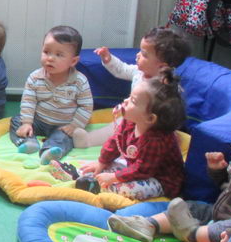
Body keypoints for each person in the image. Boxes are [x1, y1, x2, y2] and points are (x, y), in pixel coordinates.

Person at [109, 109, 231, 242]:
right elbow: (226, 187)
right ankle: (148, 224)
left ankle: (191, 233)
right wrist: (217, 172)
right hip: (217, 210)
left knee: (225, 228)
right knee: (192, 206)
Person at [75, 70, 186, 200]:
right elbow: (114, 142)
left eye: (133, 100)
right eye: (129, 96)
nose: (125, 101)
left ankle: (101, 190)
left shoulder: (156, 140)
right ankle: (80, 175)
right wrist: (102, 162)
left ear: (150, 118)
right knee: (97, 168)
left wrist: (114, 178)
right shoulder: (129, 121)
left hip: (159, 179)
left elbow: (142, 170)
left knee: (125, 189)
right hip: (135, 167)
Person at [76, 27, 190, 148]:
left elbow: (172, 112)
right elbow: (122, 69)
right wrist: (108, 59)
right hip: (132, 117)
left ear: (162, 66)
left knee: (154, 138)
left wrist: (168, 131)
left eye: (144, 54)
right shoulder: (138, 72)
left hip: (152, 125)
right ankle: (88, 140)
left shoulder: (167, 85)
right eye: (140, 51)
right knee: (115, 127)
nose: (138, 55)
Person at [9, 25, 93, 163]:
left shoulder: (79, 82)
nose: (50, 58)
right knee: (16, 120)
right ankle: (28, 142)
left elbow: (86, 107)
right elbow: (28, 101)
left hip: (63, 125)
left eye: (59, 55)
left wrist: (74, 125)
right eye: (46, 52)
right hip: (40, 120)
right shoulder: (35, 78)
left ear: (73, 61)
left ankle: (50, 151)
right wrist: (27, 122)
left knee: (67, 137)